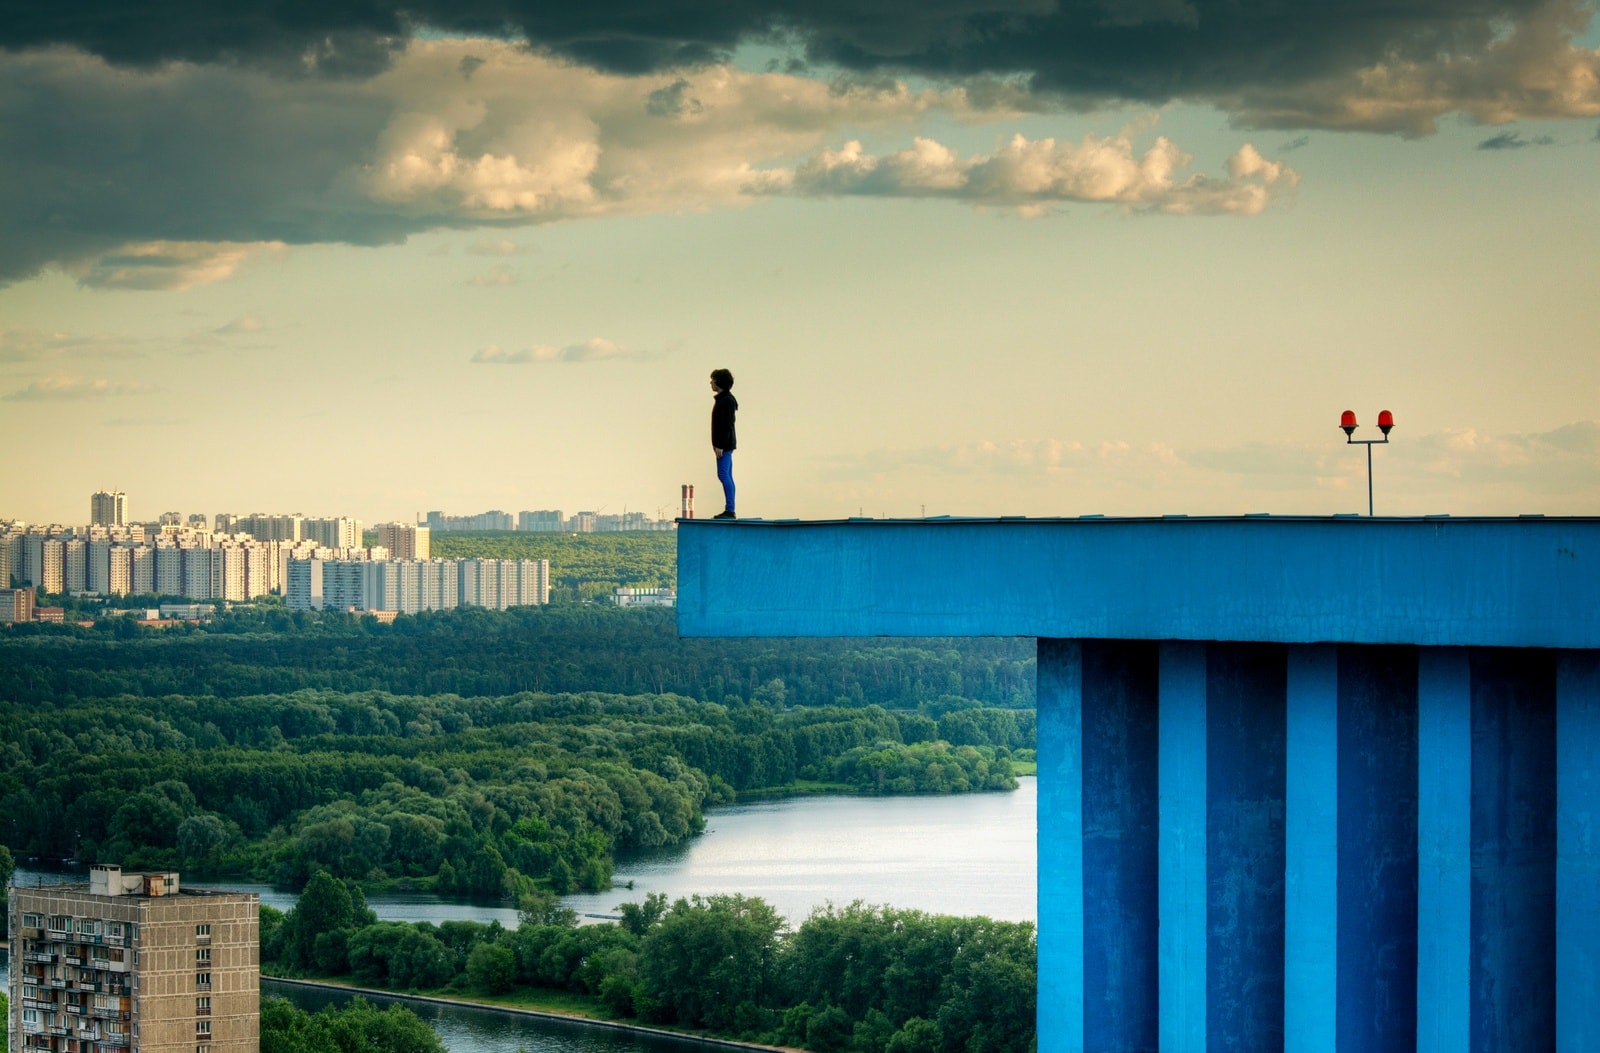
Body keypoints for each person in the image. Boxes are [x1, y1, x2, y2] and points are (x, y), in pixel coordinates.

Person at [710, 368, 738, 519]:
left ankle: (730, 509)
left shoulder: (726, 401)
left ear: (719, 382)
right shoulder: (724, 399)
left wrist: (719, 444)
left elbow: (726, 425)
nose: (711, 382)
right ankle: (730, 508)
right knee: (727, 475)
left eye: (713, 380)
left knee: (723, 475)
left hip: (724, 446)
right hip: (724, 445)